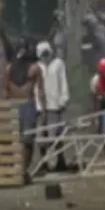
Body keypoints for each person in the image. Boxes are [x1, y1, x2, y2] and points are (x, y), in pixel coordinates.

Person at [1, 32, 46, 179]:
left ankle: (21, 170)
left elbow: (40, 90)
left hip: (22, 104)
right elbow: (6, 90)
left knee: (25, 139)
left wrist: (42, 109)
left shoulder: (31, 68)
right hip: (21, 105)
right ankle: (18, 169)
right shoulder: (28, 68)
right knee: (21, 139)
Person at [35, 40, 70, 171]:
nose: (45, 55)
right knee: (40, 136)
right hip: (40, 107)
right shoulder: (37, 66)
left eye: (46, 52)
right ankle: (43, 162)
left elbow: (63, 82)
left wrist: (63, 99)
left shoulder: (58, 64)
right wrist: (37, 104)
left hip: (55, 106)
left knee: (55, 135)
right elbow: (35, 87)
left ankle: (60, 160)